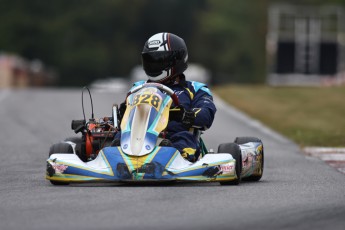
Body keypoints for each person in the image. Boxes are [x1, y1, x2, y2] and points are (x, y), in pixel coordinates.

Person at [118, 32, 216, 162]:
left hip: (174, 136)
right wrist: (124, 111)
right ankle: (115, 154)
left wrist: (184, 115)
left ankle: (172, 156)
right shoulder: (139, 87)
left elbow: (206, 114)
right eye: (150, 61)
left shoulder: (195, 88)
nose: (153, 65)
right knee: (117, 136)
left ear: (176, 61)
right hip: (135, 136)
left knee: (183, 140)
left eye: (158, 60)